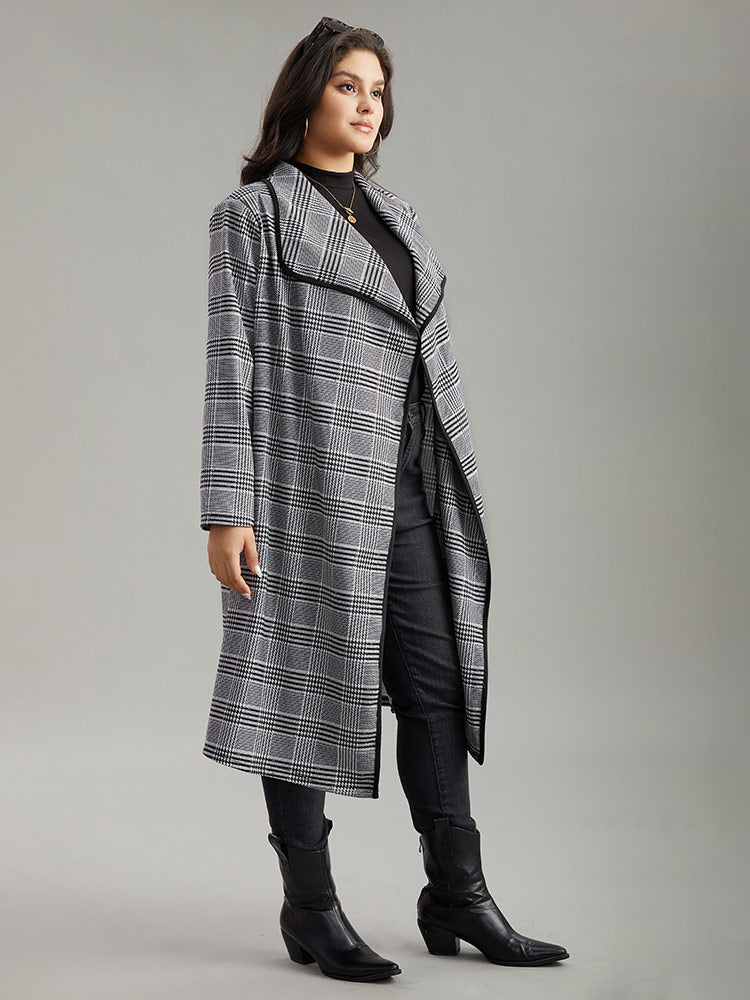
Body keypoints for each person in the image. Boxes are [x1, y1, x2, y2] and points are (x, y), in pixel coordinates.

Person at [199, 16, 569, 983]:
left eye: (377, 90)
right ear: (306, 95)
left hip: (410, 486)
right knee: (298, 686)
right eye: (348, 86)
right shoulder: (254, 216)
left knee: (436, 687)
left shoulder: (395, 213)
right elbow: (231, 365)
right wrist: (227, 508)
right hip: (304, 490)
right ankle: (310, 907)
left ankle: (457, 893)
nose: (367, 105)